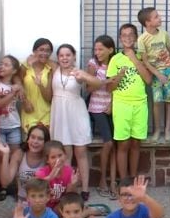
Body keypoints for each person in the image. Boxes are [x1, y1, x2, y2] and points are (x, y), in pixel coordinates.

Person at [50, 43, 102, 201]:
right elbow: (36, 60)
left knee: (80, 152)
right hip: (60, 114)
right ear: (58, 58)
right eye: (61, 55)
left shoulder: (78, 72)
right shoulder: (54, 69)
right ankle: (68, 187)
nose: (65, 58)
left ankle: (85, 188)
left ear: (74, 56)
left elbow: (98, 83)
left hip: (76, 113)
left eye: (68, 55)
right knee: (65, 154)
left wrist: (83, 77)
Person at [107, 23, 153, 179]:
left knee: (135, 144)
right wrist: (119, 76)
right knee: (123, 144)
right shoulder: (115, 59)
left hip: (140, 105)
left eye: (131, 35)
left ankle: (133, 179)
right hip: (122, 105)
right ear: (120, 39)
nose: (127, 38)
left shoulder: (142, 56)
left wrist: (134, 58)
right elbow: (110, 88)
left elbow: (148, 80)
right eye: (124, 35)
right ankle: (124, 181)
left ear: (136, 37)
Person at [138, 7, 170, 143]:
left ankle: (167, 131)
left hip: (169, 70)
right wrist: (157, 75)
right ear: (148, 22)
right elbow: (145, 61)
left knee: (169, 101)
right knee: (156, 101)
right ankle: (157, 131)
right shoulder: (142, 39)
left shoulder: (164, 34)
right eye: (156, 17)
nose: (159, 18)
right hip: (155, 73)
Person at [86, 35, 118, 199]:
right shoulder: (93, 64)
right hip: (96, 108)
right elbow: (89, 87)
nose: (97, 52)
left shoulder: (117, 62)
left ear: (110, 49)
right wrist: (106, 81)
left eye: (101, 49)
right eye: (95, 49)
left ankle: (113, 182)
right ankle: (102, 180)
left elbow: (119, 86)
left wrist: (112, 104)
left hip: (112, 108)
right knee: (108, 143)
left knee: (114, 146)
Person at [0, 124, 50, 201]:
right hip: (23, 201)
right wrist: (6, 155)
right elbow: (5, 182)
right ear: (28, 139)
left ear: (45, 142)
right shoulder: (19, 154)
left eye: (40, 139)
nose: (35, 141)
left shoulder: (48, 157)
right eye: (32, 137)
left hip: (42, 202)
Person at [0, 55, 23, 196]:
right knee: (0, 157)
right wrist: (13, 92)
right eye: (1, 63)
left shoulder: (17, 84)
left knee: (15, 157)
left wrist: (19, 88)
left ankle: (15, 185)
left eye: (6, 65)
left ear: (14, 70)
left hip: (14, 125)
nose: (2, 67)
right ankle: (3, 186)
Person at [19, 38, 54, 132]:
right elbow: (17, 80)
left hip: (46, 114)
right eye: (41, 50)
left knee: (44, 143)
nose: (44, 53)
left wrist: (40, 85)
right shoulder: (26, 66)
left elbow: (48, 97)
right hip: (29, 112)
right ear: (34, 51)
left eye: (48, 51)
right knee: (30, 143)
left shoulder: (49, 70)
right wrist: (25, 101)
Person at [35, 140, 77, 214]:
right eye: (53, 157)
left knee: (71, 206)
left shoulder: (69, 171)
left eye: (60, 155)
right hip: (44, 206)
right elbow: (36, 189)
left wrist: (72, 185)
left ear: (65, 155)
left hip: (60, 206)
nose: (58, 160)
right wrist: (50, 177)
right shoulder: (41, 172)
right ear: (47, 160)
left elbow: (69, 197)